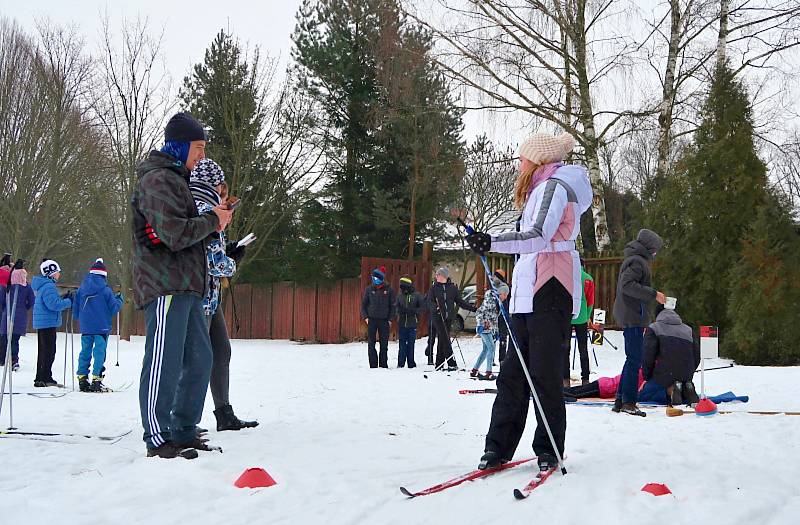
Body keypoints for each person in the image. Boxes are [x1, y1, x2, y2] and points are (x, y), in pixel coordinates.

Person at [465, 132, 592, 472]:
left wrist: (491, 241)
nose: (518, 164)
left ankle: (549, 447)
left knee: (544, 371)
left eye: (522, 158)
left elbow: (538, 237)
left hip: (550, 286)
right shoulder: (540, 187)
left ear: (536, 160)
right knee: (513, 372)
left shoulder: (555, 187)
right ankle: (498, 447)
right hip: (527, 289)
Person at [132, 111, 233, 459]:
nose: (201, 155)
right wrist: (211, 220)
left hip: (188, 285)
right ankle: (158, 436)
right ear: (180, 145)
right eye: (198, 147)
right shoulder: (158, 180)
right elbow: (173, 233)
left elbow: (188, 233)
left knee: (201, 357)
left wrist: (213, 226)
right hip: (163, 284)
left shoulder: (178, 180)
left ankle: (183, 428)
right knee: (164, 359)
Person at [188, 158, 257, 431]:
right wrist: (232, 259)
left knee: (220, 351)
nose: (226, 202)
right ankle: (185, 421)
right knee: (199, 358)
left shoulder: (193, 211)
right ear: (215, 186)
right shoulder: (207, 214)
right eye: (224, 194)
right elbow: (214, 263)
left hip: (209, 297)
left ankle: (223, 412)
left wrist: (225, 249)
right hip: (203, 297)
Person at [611, 229, 667, 417]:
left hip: (632, 314)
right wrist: (653, 294)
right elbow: (627, 286)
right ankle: (629, 402)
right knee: (635, 360)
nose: (656, 253)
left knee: (632, 359)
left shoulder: (635, 260)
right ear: (649, 247)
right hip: (633, 316)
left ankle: (620, 400)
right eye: (655, 249)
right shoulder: (637, 262)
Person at [73, 259, 123, 393]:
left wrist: (78, 318)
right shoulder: (105, 290)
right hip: (101, 326)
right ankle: (97, 379)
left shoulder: (81, 289)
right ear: (103, 275)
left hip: (86, 326)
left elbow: (76, 307)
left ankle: (82, 378)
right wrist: (119, 299)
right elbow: (114, 309)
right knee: (99, 352)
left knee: (85, 351)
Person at [640, 304, 701, 406]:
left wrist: (647, 377)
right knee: (681, 384)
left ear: (657, 315)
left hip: (663, 375)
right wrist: (688, 374)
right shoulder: (688, 330)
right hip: (686, 375)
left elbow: (648, 356)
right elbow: (696, 356)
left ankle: (671, 390)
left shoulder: (654, 328)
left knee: (641, 396)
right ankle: (685, 388)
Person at [32, 259, 73, 387]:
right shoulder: (49, 286)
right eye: (57, 272)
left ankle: (41, 377)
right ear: (51, 273)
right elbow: (53, 305)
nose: (59, 274)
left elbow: (52, 301)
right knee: (49, 351)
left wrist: (63, 298)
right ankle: (45, 378)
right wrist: (69, 302)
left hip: (44, 322)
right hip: (47, 323)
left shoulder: (44, 286)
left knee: (44, 351)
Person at [426, 267, 476, 371]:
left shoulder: (452, 288)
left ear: (443, 276)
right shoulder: (434, 288)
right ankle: (451, 363)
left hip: (448, 318)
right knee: (445, 339)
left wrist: (472, 308)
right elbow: (430, 301)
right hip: (438, 317)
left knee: (442, 340)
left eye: (438, 275)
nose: (436, 276)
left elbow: (460, 301)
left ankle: (439, 364)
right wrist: (436, 308)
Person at [470, 282, 510, 381]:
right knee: (491, 348)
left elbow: (494, 318)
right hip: (484, 328)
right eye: (505, 295)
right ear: (500, 293)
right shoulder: (490, 300)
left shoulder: (498, 302)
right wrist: (480, 324)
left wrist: (496, 331)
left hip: (489, 329)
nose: (505, 297)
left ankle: (474, 370)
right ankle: (489, 373)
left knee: (485, 350)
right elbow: (479, 312)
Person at [565, 260, 594, 387]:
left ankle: (565, 379)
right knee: (583, 348)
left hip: (567, 315)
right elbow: (590, 300)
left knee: (565, 349)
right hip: (581, 316)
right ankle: (585, 378)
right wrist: (587, 316)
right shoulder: (588, 279)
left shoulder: (566, 278)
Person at [361, 267, 396, 368]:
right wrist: (366, 317)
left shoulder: (389, 290)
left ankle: (383, 365)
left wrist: (390, 319)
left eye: (376, 278)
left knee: (384, 344)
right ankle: (373, 365)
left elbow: (392, 306)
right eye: (373, 278)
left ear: (381, 278)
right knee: (371, 343)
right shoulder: (369, 289)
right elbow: (364, 305)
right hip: (371, 320)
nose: (374, 279)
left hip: (384, 320)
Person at [1, 267, 35, 371]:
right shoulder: (27, 287)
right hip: (20, 316)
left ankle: (5, 358)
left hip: (7, 314)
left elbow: (1, 300)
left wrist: (5, 308)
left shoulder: (7, 286)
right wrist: (24, 307)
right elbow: (32, 301)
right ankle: (14, 359)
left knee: (6, 338)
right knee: (15, 340)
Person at [396, 276, 425, 368]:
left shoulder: (417, 295)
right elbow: (395, 307)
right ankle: (401, 363)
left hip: (412, 323)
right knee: (402, 344)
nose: (401, 288)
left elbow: (423, 308)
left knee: (411, 344)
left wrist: (414, 311)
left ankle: (411, 363)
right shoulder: (399, 296)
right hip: (402, 323)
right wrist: (400, 311)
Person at [564, 369, 643, 400]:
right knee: (575, 393)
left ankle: (556, 392)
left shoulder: (636, 369)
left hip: (604, 384)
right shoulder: (640, 375)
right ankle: (555, 393)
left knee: (575, 391)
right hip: (604, 388)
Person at [494, 269, 511, 363]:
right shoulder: (494, 287)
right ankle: (491, 358)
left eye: (495, 276)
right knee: (492, 337)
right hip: (494, 316)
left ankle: (502, 358)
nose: (493, 278)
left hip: (502, 316)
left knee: (502, 337)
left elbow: (501, 298)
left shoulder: (504, 287)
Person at [424, 277, 437, 366]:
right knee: (431, 339)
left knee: (442, 339)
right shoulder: (430, 292)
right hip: (432, 318)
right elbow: (425, 303)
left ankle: (439, 357)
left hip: (440, 318)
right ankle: (430, 358)